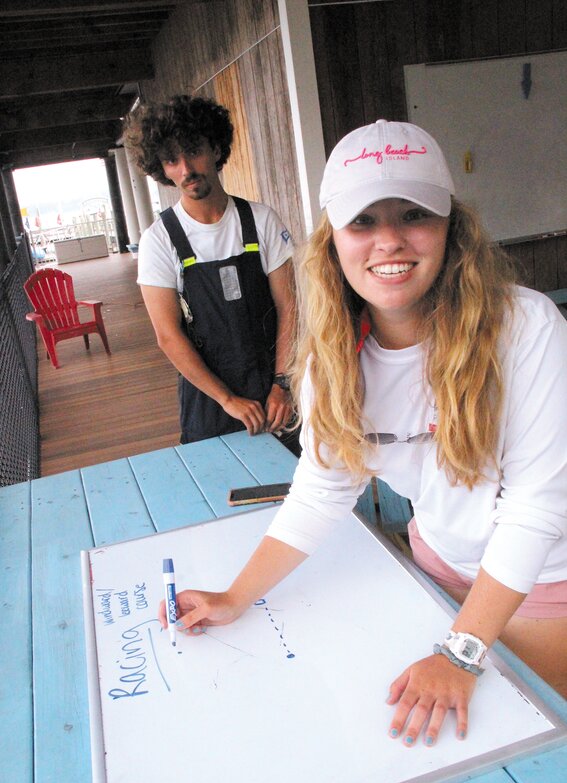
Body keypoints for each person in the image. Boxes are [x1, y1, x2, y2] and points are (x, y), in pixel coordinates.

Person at [159, 119, 567, 745]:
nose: (390, 242)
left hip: (545, 578)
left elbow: (536, 509)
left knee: (522, 740)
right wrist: (235, 596)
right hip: (437, 560)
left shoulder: (527, 326)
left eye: (413, 214)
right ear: (333, 240)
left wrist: (460, 653)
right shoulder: (331, 358)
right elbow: (322, 492)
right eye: (363, 222)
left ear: (451, 227)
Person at [124, 95, 299, 452]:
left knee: (296, 488)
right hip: (209, 400)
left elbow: (289, 308)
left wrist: (283, 383)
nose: (186, 168)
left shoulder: (262, 221)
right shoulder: (159, 240)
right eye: (172, 160)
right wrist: (227, 399)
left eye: (194, 151)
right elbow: (168, 336)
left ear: (216, 148)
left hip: (275, 392)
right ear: (161, 167)